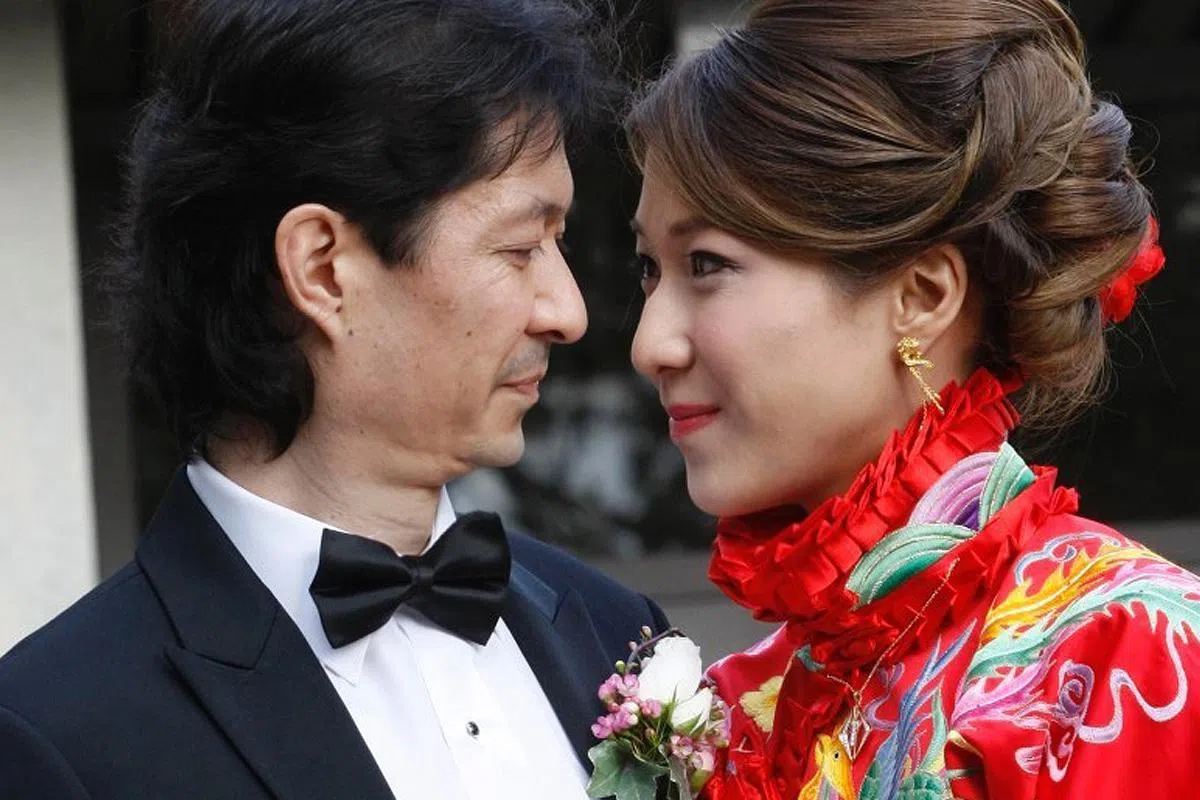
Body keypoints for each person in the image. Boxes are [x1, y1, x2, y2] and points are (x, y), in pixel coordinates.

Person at [0, 1, 668, 797]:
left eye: (558, 245)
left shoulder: (619, 633)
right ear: (320, 269)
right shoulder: (57, 736)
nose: (568, 313)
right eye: (521, 248)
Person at [626, 1, 1197, 798]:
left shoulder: (1125, 656)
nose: (649, 344)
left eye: (707, 265)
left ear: (923, 296)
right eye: (649, 268)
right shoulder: (733, 711)